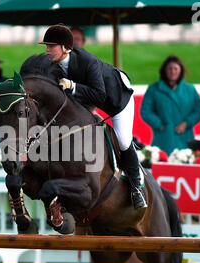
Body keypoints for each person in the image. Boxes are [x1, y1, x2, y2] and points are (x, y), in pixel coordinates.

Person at [40, 24, 146, 210]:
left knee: (123, 141)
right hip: (87, 99)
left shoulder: (87, 61)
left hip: (116, 97)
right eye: (46, 46)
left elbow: (100, 96)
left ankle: (137, 186)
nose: (47, 50)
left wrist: (73, 87)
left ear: (65, 47)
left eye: (51, 46)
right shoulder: (52, 66)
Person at [140, 55, 200, 155]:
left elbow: (199, 110)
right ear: (164, 70)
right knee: (162, 166)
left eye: (175, 68)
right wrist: (159, 125)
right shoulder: (154, 89)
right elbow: (146, 111)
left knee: (185, 166)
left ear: (181, 71)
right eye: (170, 68)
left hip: (185, 137)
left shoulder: (190, 89)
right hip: (164, 138)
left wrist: (186, 123)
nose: (172, 71)